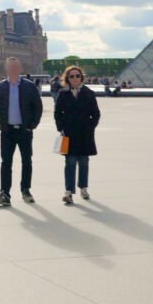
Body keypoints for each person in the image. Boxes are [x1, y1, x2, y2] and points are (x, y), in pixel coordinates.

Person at [0, 57, 43, 206]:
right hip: (7, 131)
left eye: (15, 67)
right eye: (10, 67)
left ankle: (25, 190)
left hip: (24, 130)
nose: (12, 69)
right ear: (7, 69)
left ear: (20, 69)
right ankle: (4, 193)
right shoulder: (0, 87)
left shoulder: (29, 86)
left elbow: (38, 107)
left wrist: (32, 125)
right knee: (6, 162)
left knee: (26, 161)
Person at [54, 65, 101, 205]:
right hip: (68, 133)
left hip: (85, 133)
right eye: (72, 76)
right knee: (69, 163)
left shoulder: (89, 93)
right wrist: (61, 128)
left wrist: (90, 127)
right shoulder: (63, 94)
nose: (75, 78)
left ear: (82, 77)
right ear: (67, 78)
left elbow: (96, 114)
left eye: (77, 76)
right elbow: (57, 114)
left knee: (84, 163)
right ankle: (68, 192)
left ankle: (83, 188)